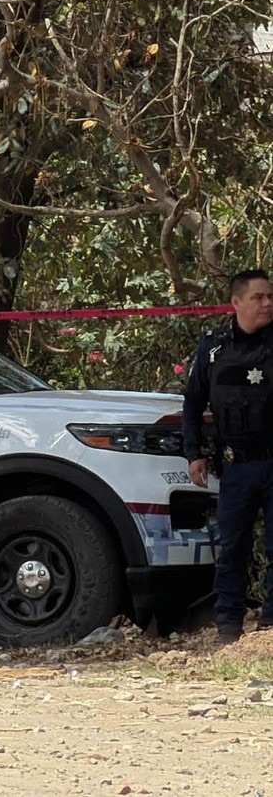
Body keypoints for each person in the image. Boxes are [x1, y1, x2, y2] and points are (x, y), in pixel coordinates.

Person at [183, 268, 273, 642]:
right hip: (236, 466)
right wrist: (194, 454)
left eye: (270, 297)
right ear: (236, 302)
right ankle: (229, 629)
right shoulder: (214, 348)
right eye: (258, 297)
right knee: (233, 547)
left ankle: (269, 628)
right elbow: (192, 405)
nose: (267, 303)